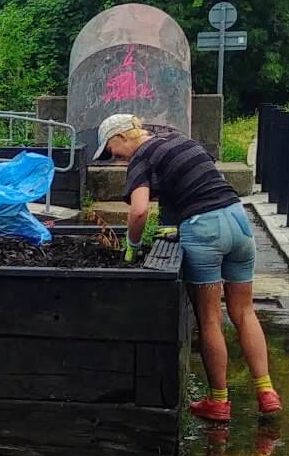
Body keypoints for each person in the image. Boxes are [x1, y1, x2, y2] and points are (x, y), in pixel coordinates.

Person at [96, 113, 279, 422]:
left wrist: (132, 248)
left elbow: (139, 212)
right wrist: (173, 224)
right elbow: (195, 182)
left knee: (209, 319)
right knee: (244, 312)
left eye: (112, 150)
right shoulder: (179, 141)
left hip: (205, 230)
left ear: (123, 137)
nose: (114, 159)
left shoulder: (142, 157)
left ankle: (219, 401)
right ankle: (266, 392)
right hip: (238, 221)